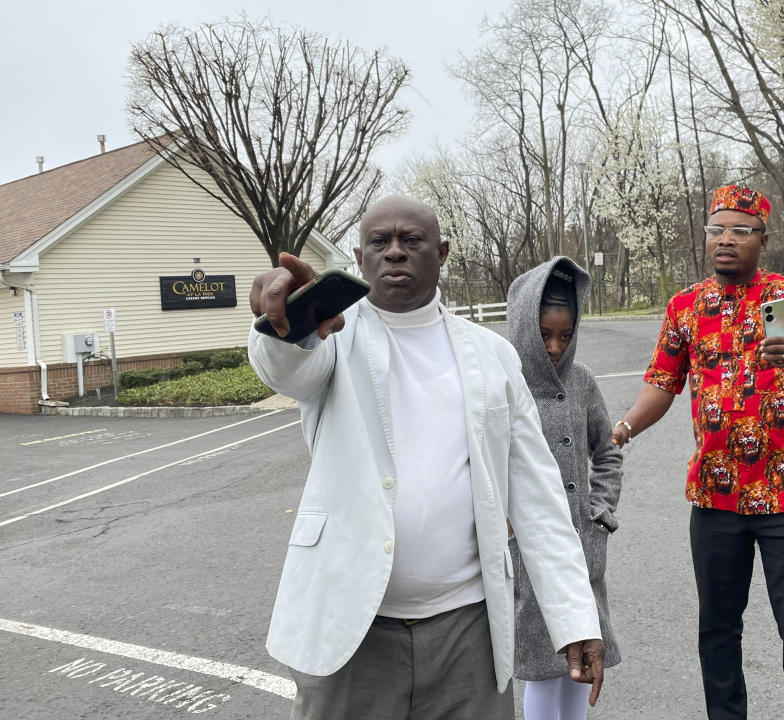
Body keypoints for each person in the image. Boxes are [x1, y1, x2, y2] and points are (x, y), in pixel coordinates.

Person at [247, 195, 605, 720]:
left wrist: (575, 617)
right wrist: (285, 326)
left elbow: (537, 492)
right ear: (359, 254)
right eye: (379, 242)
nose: (395, 252)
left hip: (469, 631)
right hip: (352, 628)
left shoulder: (492, 354)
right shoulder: (331, 338)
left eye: (411, 241)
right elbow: (286, 370)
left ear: (441, 253)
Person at [610, 184, 784, 720]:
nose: (726, 239)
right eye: (716, 228)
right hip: (715, 498)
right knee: (717, 629)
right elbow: (662, 384)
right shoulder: (685, 308)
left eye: (741, 230)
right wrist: (620, 428)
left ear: (763, 239)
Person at [505, 257, 623, 720]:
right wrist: (505, 525)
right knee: (541, 664)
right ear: (523, 327)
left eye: (566, 336)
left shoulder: (582, 381)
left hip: (581, 544)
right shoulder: (504, 382)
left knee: (583, 659)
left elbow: (608, 450)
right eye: (544, 335)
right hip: (525, 551)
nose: (555, 346)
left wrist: (601, 510)